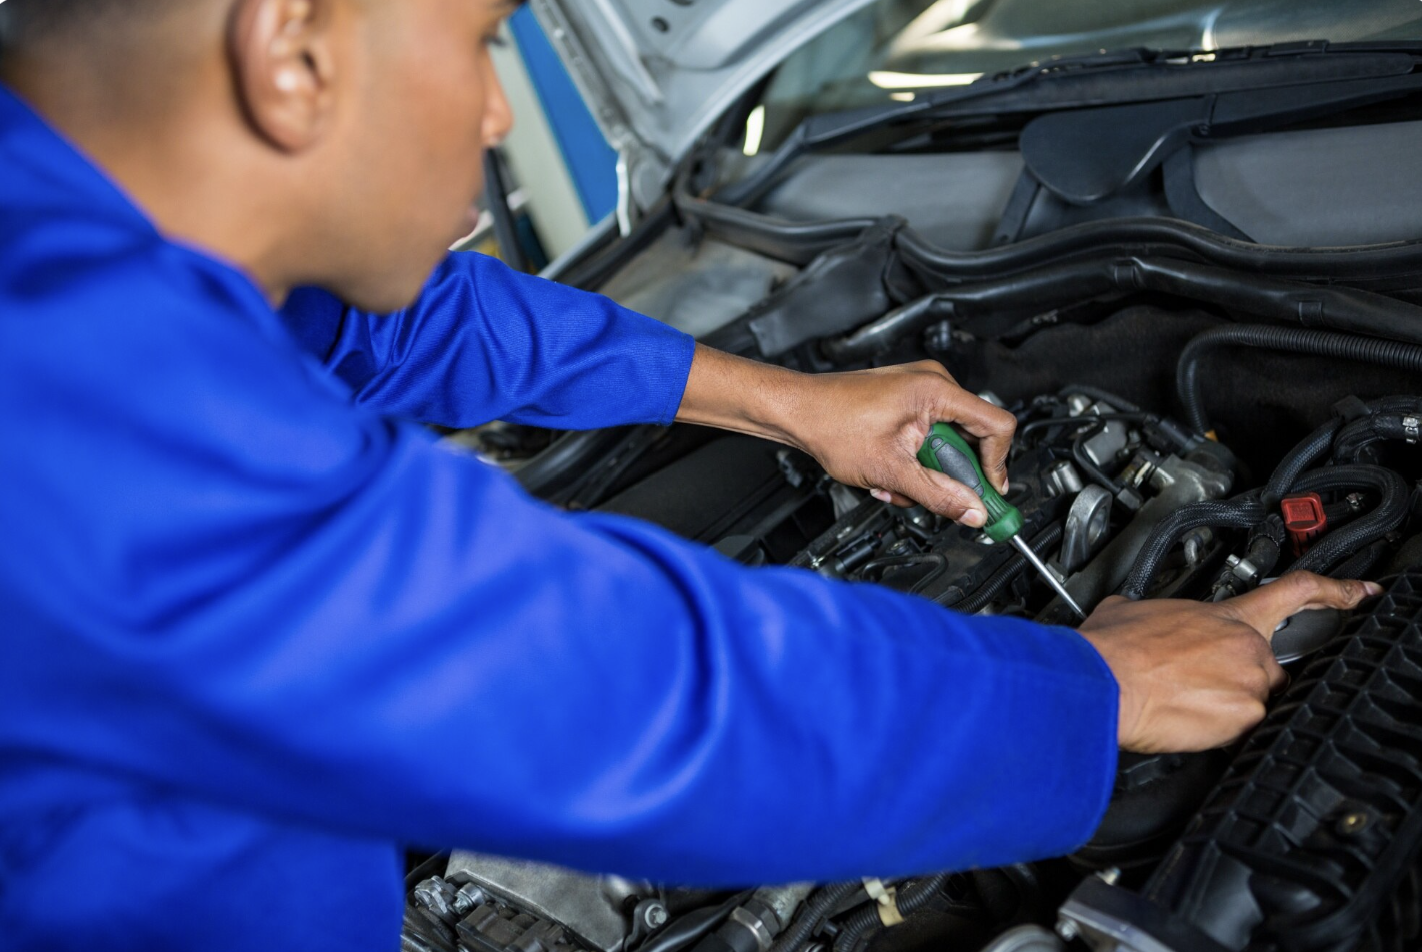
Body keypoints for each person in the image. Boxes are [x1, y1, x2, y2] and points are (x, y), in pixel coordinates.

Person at [0, 1, 1376, 949]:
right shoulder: (66, 390)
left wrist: (792, 406)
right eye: (481, 39)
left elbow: (415, 323)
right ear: (289, 52)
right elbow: (597, 687)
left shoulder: (81, 243)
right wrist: (1092, 690)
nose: (492, 109)